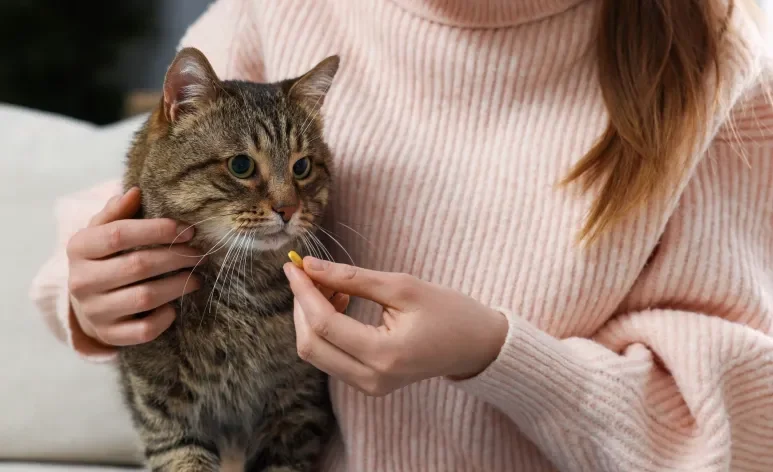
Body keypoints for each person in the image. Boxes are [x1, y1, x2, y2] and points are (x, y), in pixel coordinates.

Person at [29, 0, 773, 470]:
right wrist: (91, 291)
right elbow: (141, 186)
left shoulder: (721, 55)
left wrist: (495, 355)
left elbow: (744, 427)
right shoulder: (272, 12)